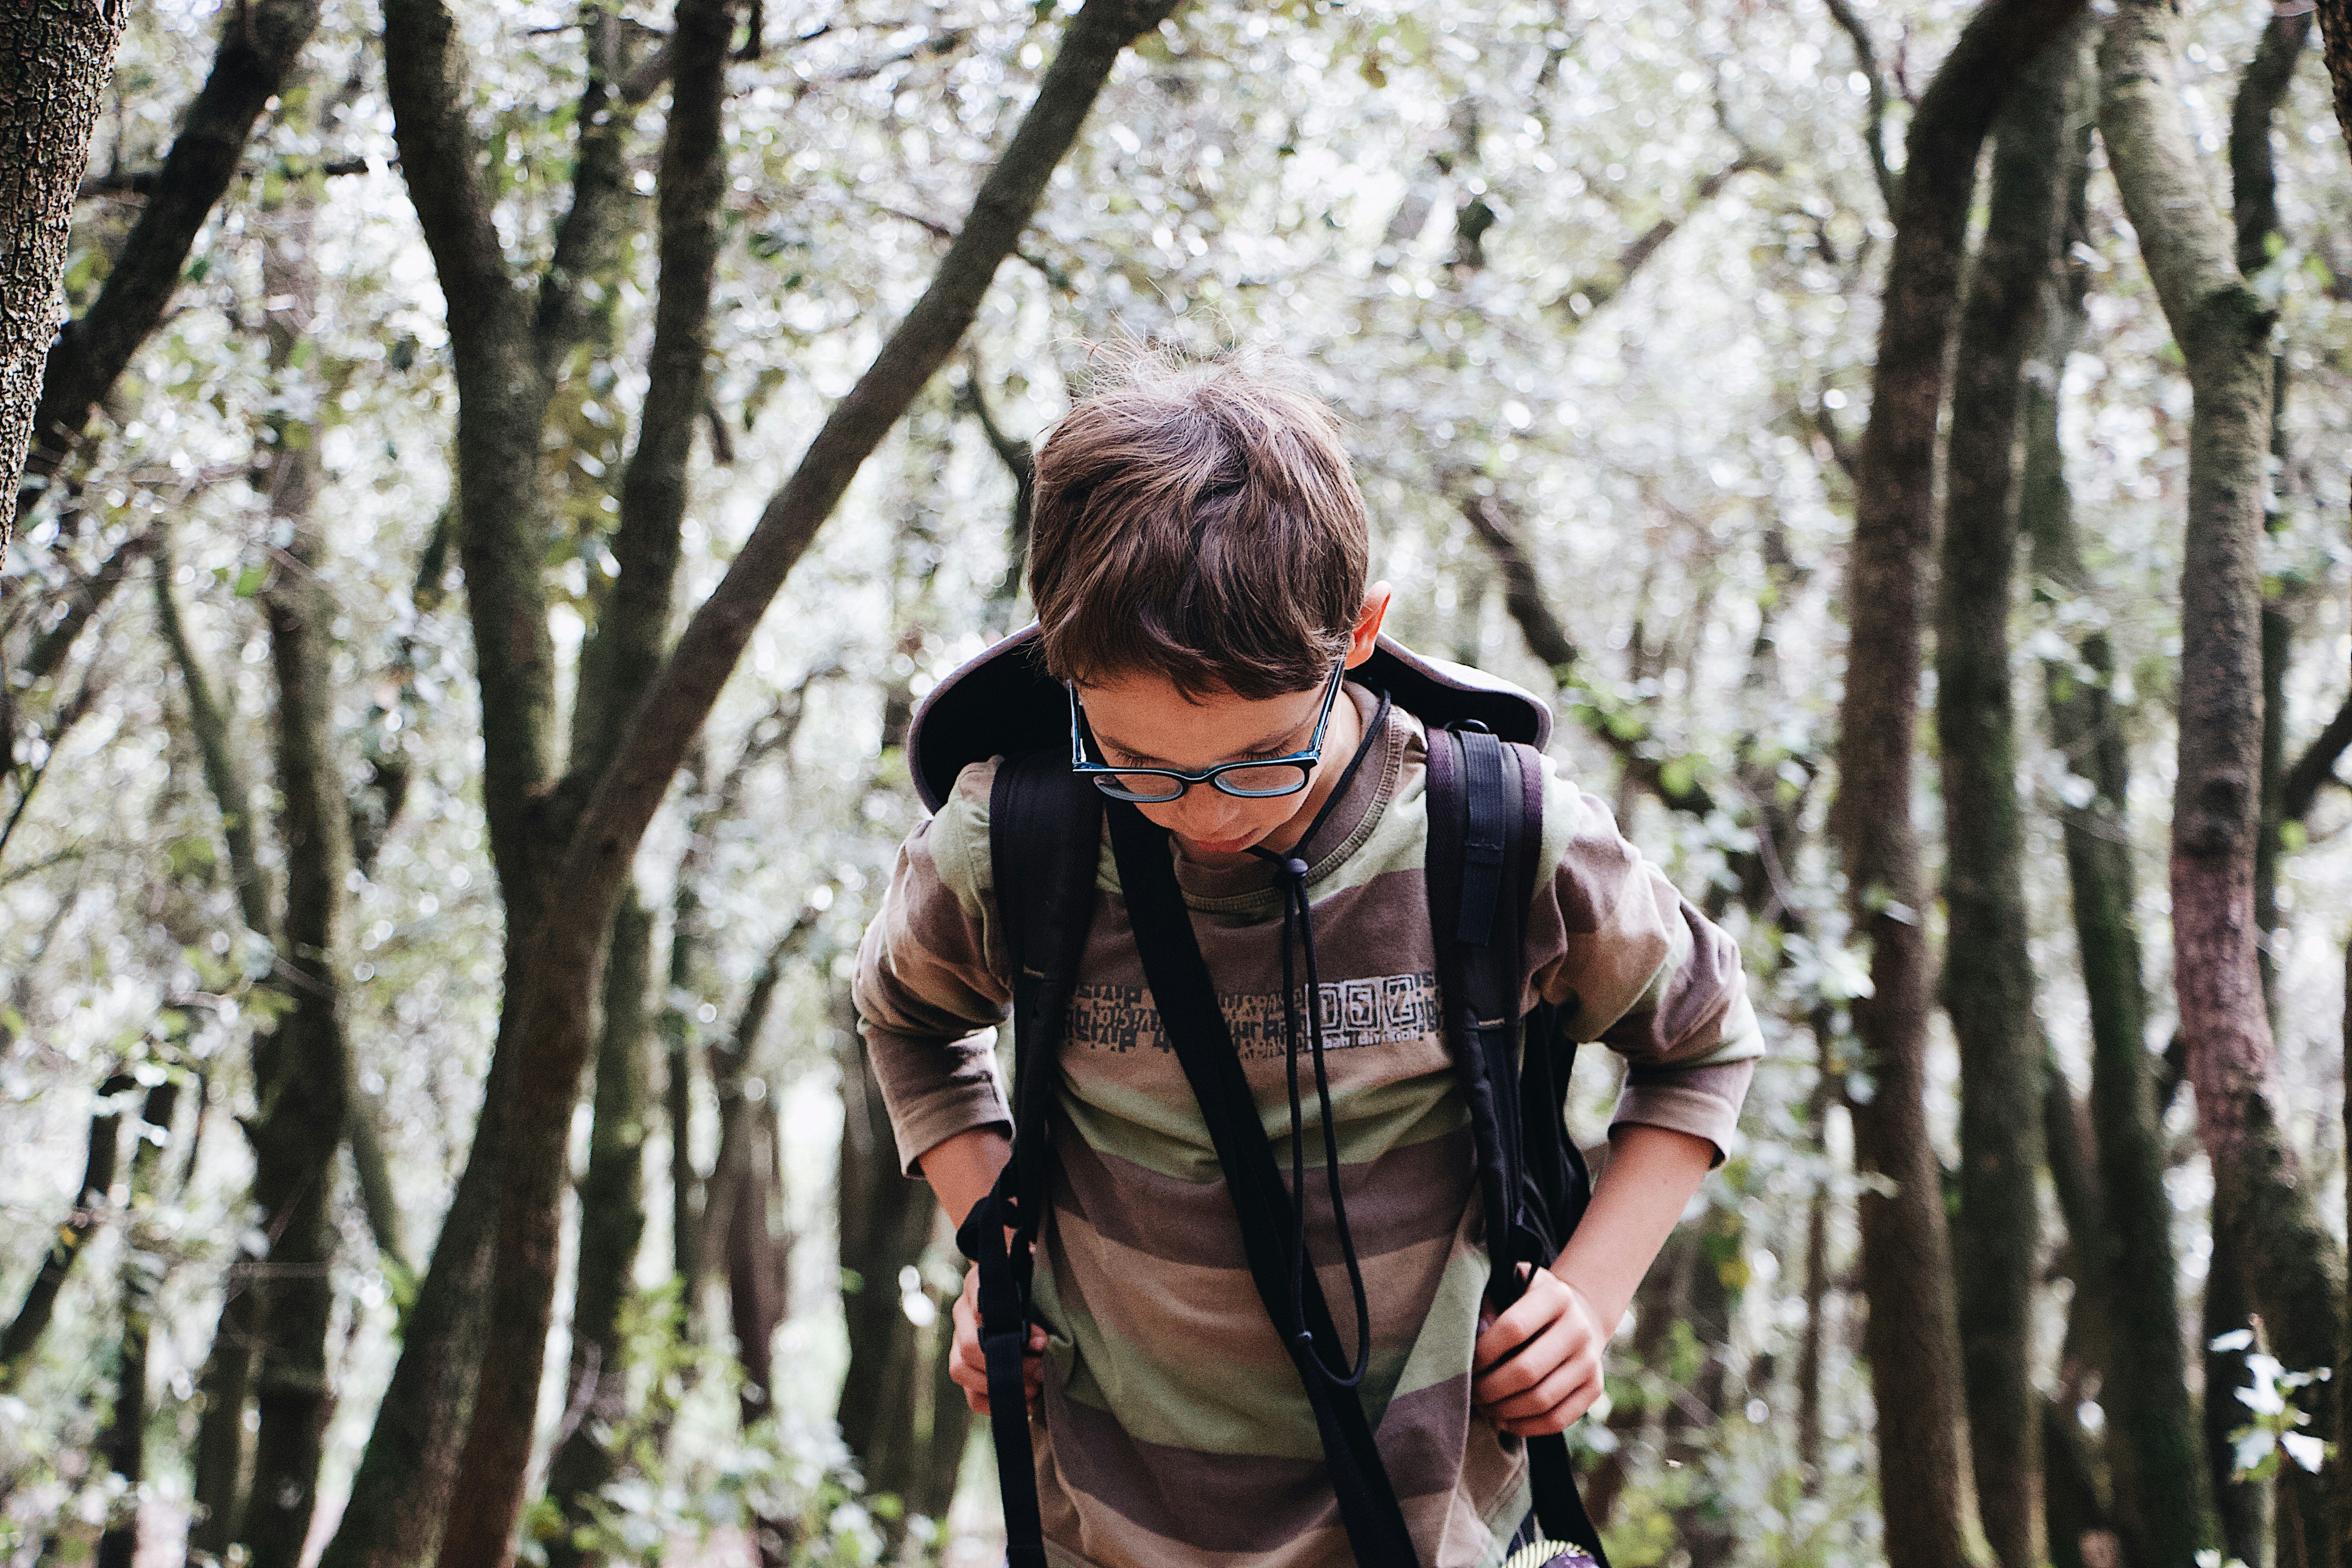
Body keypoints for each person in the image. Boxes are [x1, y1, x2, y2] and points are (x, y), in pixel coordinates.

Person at [853, 350, 1763, 1568]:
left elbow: (1702, 1037)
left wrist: (1588, 1300)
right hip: (1108, 1531)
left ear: (1362, 631)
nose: (1205, 813)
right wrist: (1000, 1244)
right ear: (1063, 670)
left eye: (1260, 756)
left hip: (1429, 1529)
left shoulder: (1495, 836)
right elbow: (906, 1019)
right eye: (1137, 759)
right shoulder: (1014, 838)